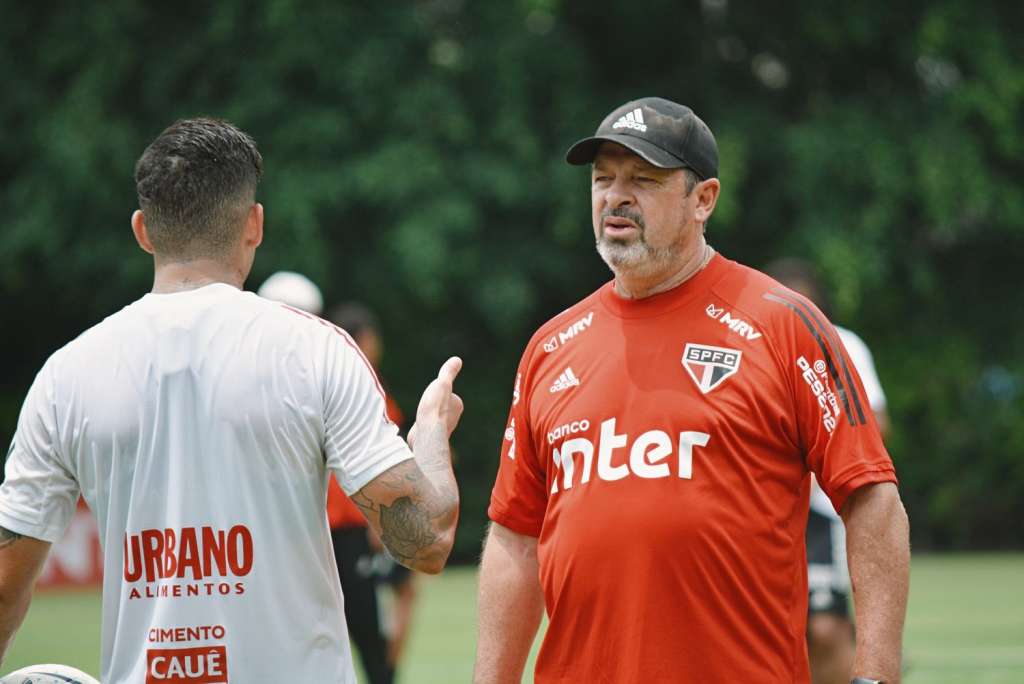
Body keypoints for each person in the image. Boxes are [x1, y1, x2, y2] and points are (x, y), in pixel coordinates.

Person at [0, 118, 463, 683]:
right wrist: (432, 434)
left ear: (143, 230)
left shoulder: (65, 375)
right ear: (254, 224)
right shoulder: (316, 350)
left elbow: (5, 587)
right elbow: (426, 543)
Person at [474, 97, 910, 684]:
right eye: (603, 179)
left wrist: (876, 675)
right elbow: (515, 538)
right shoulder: (551, 346)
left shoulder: (783, 324)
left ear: (703, 199)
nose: (615, 197)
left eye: (644, 180)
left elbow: (872, 500)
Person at [255, 278, 399, 684]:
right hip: (300, 528)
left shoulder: (329, 370)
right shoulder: (281, 375)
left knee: (363, 627)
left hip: (338, 526)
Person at [765, 258, 892, 684]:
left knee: (823, 626)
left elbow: (876, 421)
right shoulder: (748, 343)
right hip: (761, 511)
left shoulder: (842, 344)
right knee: (775, 629)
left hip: (821, 510)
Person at [327, 303, 422, 681]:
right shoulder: (363, 386)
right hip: (354, 526)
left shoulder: (320, 381)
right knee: (366, 627)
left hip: (334, 526)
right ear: (364, 340)